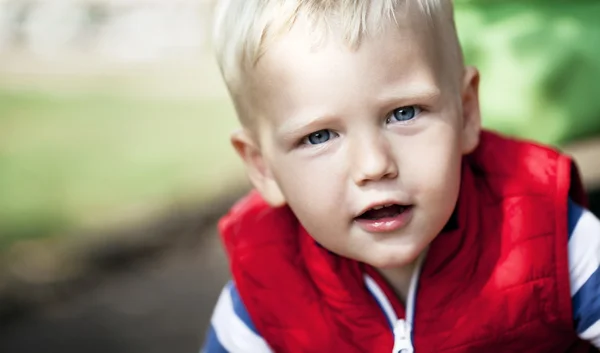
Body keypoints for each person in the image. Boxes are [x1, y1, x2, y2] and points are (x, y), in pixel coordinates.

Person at [202, 0, 600, 352]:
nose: (374, 165)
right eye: (319, 136)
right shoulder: (263, 290)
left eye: (404, 113)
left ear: (466, 113)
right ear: (263, 167)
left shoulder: (548, 236)